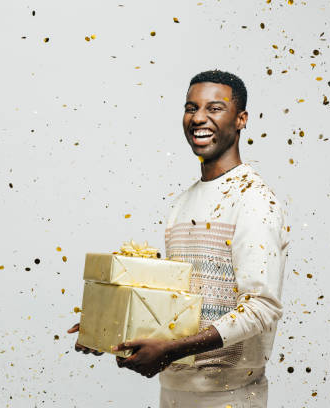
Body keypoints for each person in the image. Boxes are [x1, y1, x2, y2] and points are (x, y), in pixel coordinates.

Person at [68, 69, 290, 407]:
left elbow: (261, 307)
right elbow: (176, 303)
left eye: (215, 108)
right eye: (191, 107)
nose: (199, 117)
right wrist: (108, 324)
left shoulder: (254, 199)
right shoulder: (181, 204)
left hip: (229, 395)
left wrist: (172, 349)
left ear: (241, 119)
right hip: (174, 390)